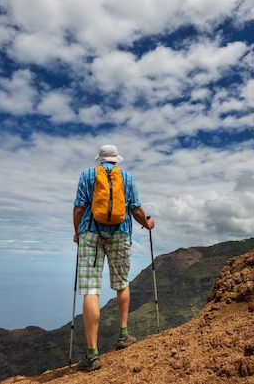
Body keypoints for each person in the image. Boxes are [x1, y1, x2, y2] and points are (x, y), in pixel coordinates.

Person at [73, 144, 155, 372]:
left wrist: (77, 232)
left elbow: (79, 208)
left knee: (91, 290)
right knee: (122, 282)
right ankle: (123, 335)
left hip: (90, 233)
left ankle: (92, 354)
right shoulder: (127, 177)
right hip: (120, 233)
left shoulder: (87, 175)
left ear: (100, 159)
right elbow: (136, 209)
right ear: (116, 159)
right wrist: (146, 224)